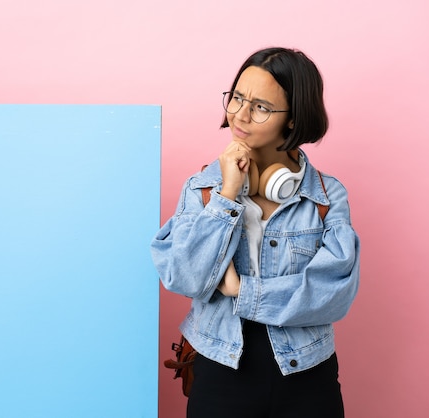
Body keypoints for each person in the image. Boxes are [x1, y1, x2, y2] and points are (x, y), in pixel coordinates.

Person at [150, 47, 360, 418]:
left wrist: (238, 290)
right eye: (237, 98)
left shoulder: (326, 197)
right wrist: (227, 195)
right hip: (219, 370)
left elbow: (332, 295)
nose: (241, 115)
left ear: (293, 119)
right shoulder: (203, 189)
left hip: (307, 373)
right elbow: (183, 277)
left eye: (261, 106)